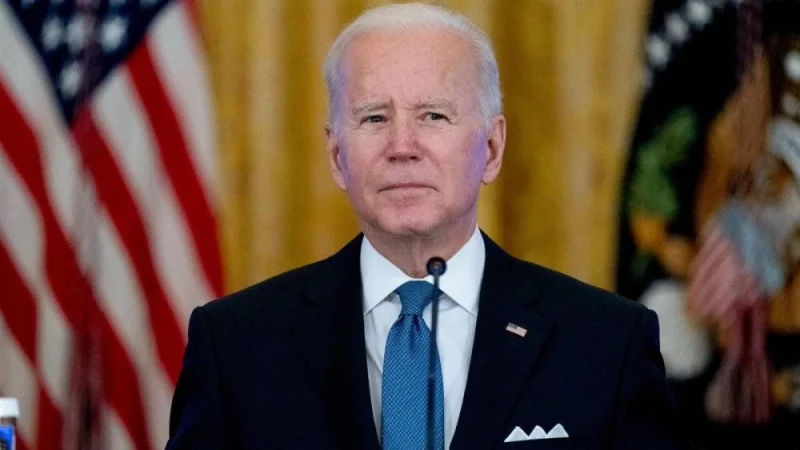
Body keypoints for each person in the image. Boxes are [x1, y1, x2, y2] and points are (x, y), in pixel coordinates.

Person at [165, 3, 687, 449]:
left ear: (491, 148)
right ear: (336, 155)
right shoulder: (235, 346)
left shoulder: (607, 344)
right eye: (374, 117)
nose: (402, 146)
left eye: (433, 116)